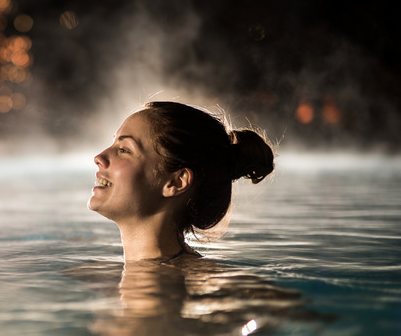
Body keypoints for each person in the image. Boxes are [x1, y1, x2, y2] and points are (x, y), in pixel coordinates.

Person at [88, 101, 274, 262]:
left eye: (124, 150)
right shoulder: (101, 276)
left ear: (176, 182)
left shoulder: (210, 281)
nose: (99, 157)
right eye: (114, 144)